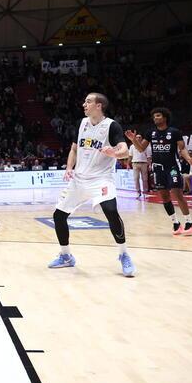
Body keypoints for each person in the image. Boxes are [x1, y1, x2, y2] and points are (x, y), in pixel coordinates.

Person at [48, 93, 134, 276]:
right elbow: (74, 149)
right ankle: (66, 256)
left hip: (101, 178)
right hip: (79, 179)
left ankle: (124, 254)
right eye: (84, 101)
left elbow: (125, 151)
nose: (84, 104)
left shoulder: (111, 126)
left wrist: (114, 154)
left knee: (111, 211)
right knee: (58, 216)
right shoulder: (81, 124)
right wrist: (69, 167)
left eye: (88, 101)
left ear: (99, 105)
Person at [126, 108, 192, 235]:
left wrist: (189, 159)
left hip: (172, 168)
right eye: (154, 116)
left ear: (165, 118)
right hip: (158, 169)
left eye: (158, 116)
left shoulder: (174, 132)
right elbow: (141, 149)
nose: (155, 118)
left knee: (177, 193)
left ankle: (189, 222)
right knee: (165, 197)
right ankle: (176, 223)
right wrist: (133, 140)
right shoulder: (150, 133)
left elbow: (182, 149)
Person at [130, 134, 150, 199]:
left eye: (139, 137)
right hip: (135, 163)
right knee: (136, 179)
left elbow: (149, 157)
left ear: (142, 138)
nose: (138, 138)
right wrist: (128, 164)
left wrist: (149, 165)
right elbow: (130, 156)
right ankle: (138, 192)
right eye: (137, 137)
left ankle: (145, 192)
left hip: (144, 163)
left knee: (145, 179)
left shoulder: (146, 146)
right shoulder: (132, 146)